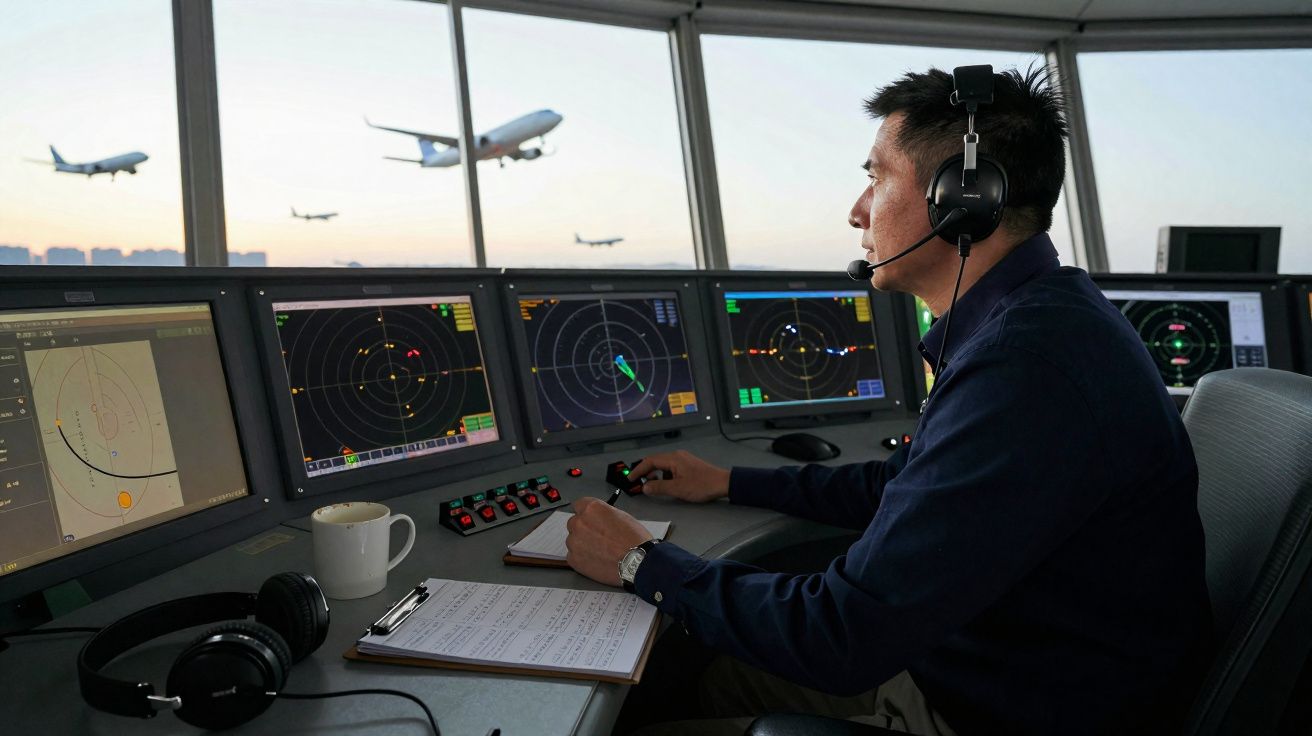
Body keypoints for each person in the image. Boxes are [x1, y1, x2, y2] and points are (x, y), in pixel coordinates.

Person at [564, 65, 1212, 735]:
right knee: (721, 679)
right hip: (993, 666)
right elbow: (902, 487)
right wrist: (728, 482)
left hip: (991, 712)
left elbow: (840, 636)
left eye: (877, 178)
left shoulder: (1023, 368)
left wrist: (639, 561)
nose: (857, 210)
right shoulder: (1039, 318)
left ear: (963, 200)